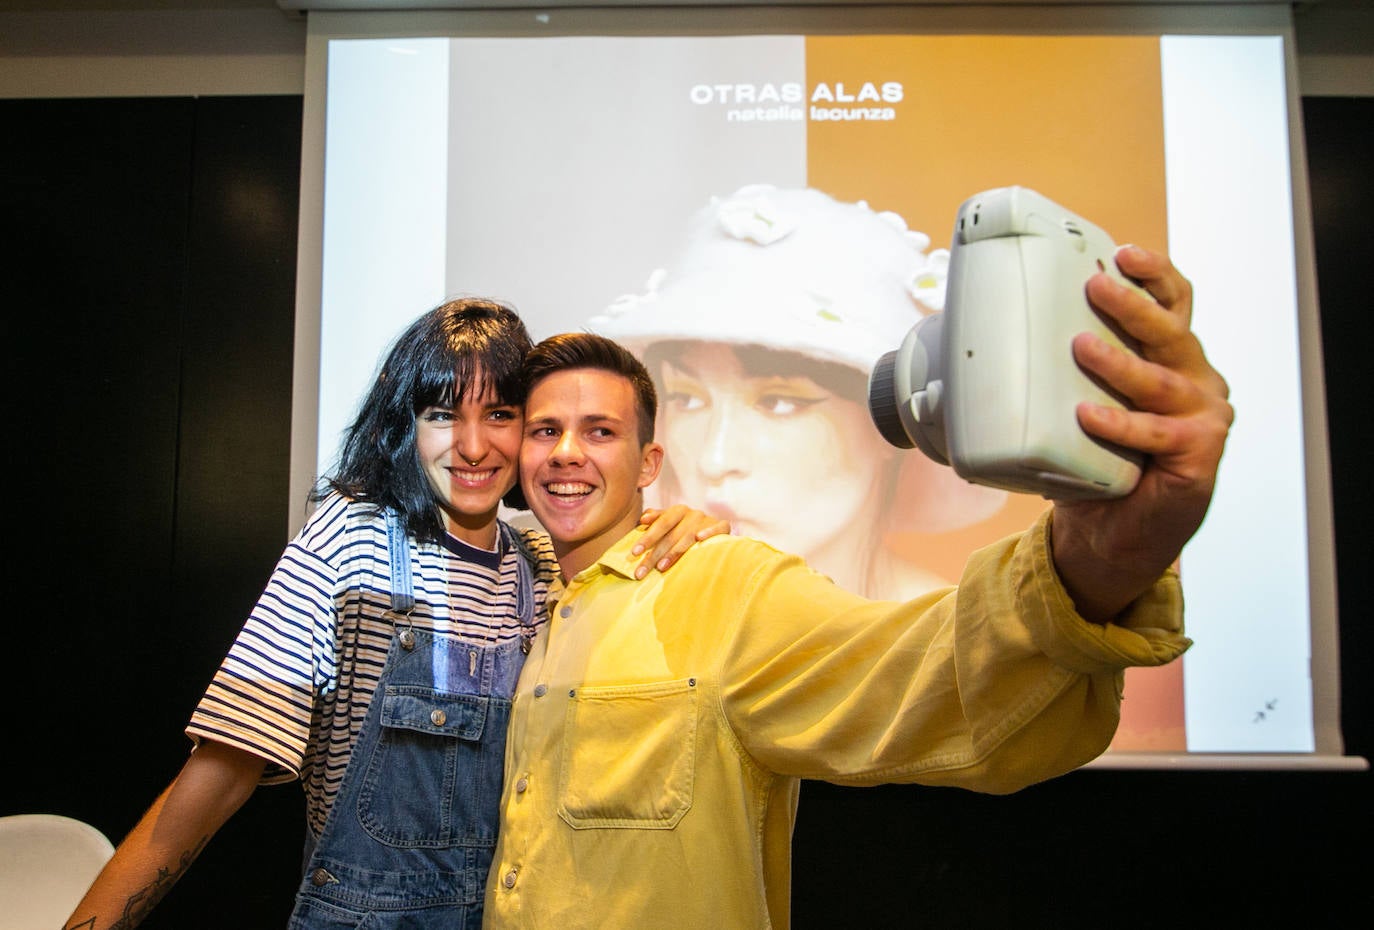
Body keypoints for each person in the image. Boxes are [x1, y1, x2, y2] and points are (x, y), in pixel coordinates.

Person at [483, 243, 1232, 929]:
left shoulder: (722, 585)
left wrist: (1101, 555)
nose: (566, 454)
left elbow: (920, 674)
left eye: (601, 432)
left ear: (650, 463)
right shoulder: (522, 607)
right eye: (545, 432)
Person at [62, 298, 726, 930]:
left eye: (500, 415)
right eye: (442, 414)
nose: (472, 447)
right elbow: (219, 774)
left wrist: (678, 525)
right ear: (404, 426)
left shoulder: (541, 565)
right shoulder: (350, 543)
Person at [587, 184, 1009, 599]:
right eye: (686, 398)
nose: (715, 459)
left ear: (887, 422)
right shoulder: (620, 617)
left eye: (778, 402)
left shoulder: (954, 641)